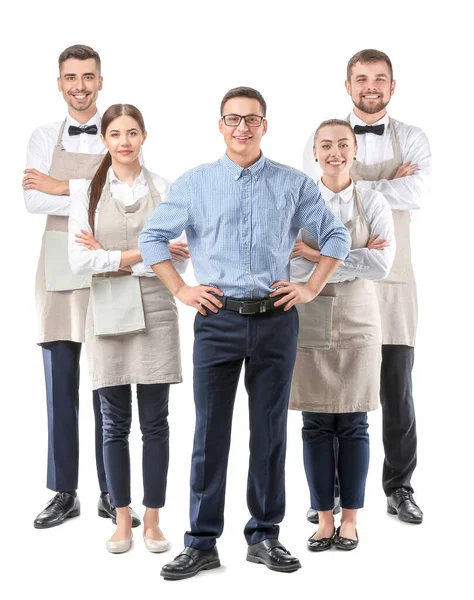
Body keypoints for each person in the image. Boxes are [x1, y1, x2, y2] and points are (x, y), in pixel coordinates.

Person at [139, 86, 351, 580]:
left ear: (264, 125)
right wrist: (182, 290)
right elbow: (152, 237)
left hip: (277, 318)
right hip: (217, 321)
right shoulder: (195, 183)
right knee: (209, 433)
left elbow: (336, 235)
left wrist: (311, 286)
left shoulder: (293, 184)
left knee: (270, 432)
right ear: (220, 125)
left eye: (251, 119)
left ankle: (265, 535)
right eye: (233, 119)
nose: (242, 127)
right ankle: (202, 541)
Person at [303, 49, 431, 524]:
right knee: (330, 387)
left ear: (392, 86)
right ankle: (330, 494)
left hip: (392, 280)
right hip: (330, 283)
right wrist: (381, 181)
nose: (371, 86)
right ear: (348, 85)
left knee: (397, 387)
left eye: (380, 78)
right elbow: (313, 190)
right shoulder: (321, 137)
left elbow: (418, 191)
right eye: (362, 79)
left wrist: (357, 181)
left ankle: (399, 487)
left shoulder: (413, 138)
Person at [23, 44, 140, 529]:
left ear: (100, 81)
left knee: (110, 379)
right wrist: (83, 192)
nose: (79, 86)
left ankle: (113, 492)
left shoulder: (118, 130)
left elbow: (125, 193)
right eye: (71, 77)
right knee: (60, 384)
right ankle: (64, 491)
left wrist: (60, 188)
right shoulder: (42, 135)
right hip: (57, 266)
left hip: (109, 264)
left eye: (88, 77)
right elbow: (32, 200)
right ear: (59, 83)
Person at [68, 103, 188, 553]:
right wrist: (146, 252)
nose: (124, 141)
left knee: (156, 422)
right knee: (113, 423)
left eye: (132, 132)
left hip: (157, 309)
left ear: (144, 136)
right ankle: (122, 520)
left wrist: (114, 257)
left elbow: (179, 257)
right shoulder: (86, 193)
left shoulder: (165, 187)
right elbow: (80, 261)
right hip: (108, 311)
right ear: (104, 139)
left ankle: (153, 520)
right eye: (115, 133)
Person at [290, 119, 395, 551]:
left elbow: (382, 266)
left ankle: (350, 519)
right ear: (314, 152)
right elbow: (291, 267)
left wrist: (319, 254)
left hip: (358, 317)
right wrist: (352, 255)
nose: (335, 152)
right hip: (309, 312)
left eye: (343, 144)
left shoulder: (374, 201)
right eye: (325, 145)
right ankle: (324, 517)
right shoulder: (296, 203)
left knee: (354, 421)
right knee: (315, 422)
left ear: (355, 151)